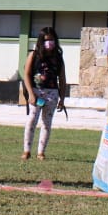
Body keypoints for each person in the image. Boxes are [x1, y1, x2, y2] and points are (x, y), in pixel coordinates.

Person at [21, 26, 66, 161]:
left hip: (52, 93)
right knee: (31, 121)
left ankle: (41, 152)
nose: (49, 42)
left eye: (52, 39)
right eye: (46, 40)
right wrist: (30, 94)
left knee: (47, 123)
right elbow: (27, 75)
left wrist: (62, 99)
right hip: (36, 92)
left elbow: (62, 79)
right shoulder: (34, 55)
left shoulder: (58, 57)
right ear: (41, 41)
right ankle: (27, 150)